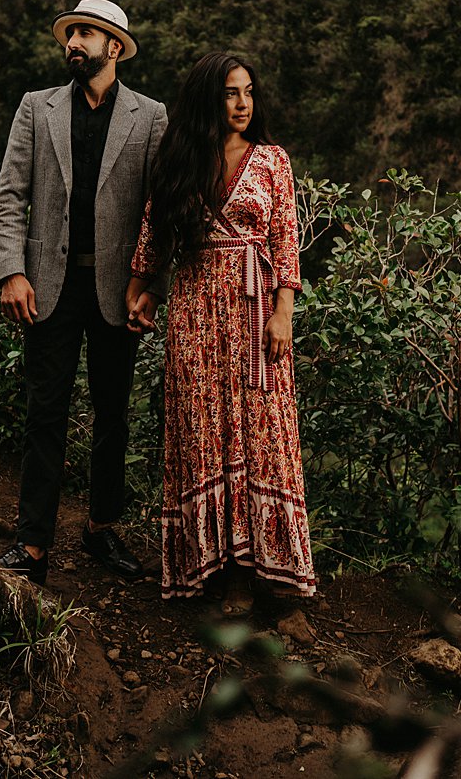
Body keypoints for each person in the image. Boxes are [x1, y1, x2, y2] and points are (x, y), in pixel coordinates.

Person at [126, 52, 316, 612]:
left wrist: (283, 312)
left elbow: (285, 239)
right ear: (210, 99)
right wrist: (141, 290)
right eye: (231, 93)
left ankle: (271, 575)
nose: (242, 104)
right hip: (194, 309)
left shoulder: (272, 160)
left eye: (249, 93)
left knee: (264, 431)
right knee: (201, 426)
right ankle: (214, 570)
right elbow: (154, 232)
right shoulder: (184, 158)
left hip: (256, 310)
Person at [0, 0, 168, 586]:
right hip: (48, 284)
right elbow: (11, 195)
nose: (74, 43)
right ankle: (33, 543)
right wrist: (11, 271)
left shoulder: (151, 117)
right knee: (45, 410)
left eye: (86, 34)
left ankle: (100, 529)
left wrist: (149, 287)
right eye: (70, 34)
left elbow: (158, 211)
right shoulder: (35, 108)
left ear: (114, 47)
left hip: (117, 290)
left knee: (113, 414)